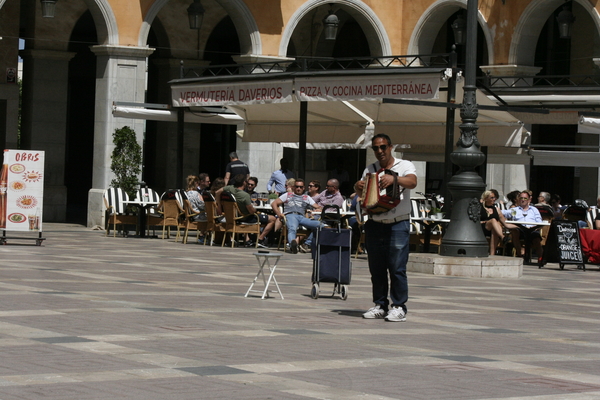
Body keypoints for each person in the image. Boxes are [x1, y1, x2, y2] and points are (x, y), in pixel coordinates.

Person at [354, 133, 417, 323]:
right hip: (375, 223)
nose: (380, 151)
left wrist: (394, 179)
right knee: (377, 268)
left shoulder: (404, 165)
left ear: (391, 147)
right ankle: (380, 305)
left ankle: (399, 306)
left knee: (397, 267)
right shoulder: (371, 169)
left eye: (383, 147)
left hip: (398, 223)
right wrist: (358, 187)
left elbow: (413, 182)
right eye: (376, 148)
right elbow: (364, 194)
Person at [217, 174, 275, 248]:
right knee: (272, 219)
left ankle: (251, 239)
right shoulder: (245, 195)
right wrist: (255, 209)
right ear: (244, 182)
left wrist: (218, 206)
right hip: (245, 217)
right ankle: (260, 239)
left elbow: (217, 192)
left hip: (232, 216)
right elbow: (251, 212)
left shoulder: (230, 188)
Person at [271, 178, 323, 254]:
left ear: (304, 188)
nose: (299, 188)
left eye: (301, 187)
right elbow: (274, 204)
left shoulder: (307, 197)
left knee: (321, 225)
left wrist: (318, 209)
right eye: (297, 186)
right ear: (294, 187)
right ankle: (293, 245)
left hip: (302, 217)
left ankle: (306, 244)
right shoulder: (288, 195)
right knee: (292, 228)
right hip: (290, 215)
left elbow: (318, 207)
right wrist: (279, 214)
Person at [501, 190, 544, 261]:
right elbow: (502, 212)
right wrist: (494, 210)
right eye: (521, 198)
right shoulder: (515, 210)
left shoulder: (534, 209)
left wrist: (536, 227)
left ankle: (540, 257)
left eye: (525, 198)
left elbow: (539, 221)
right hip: (520, 230)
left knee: (536, 238)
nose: (523, 200)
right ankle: (519, 255)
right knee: (515, 232)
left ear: (529, 199)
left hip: (532, 229)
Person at [480, 190, 512, 255]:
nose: (494, 199)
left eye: (494, 197)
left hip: (493, 229)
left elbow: (505, 222)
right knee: (493, 220)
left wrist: (519, 225)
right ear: (486, 198)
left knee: (494, 228)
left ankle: (492, 254)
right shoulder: (480, 208)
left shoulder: (497, 209)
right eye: (491, 198)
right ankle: (503, 237)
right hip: (481, 228)